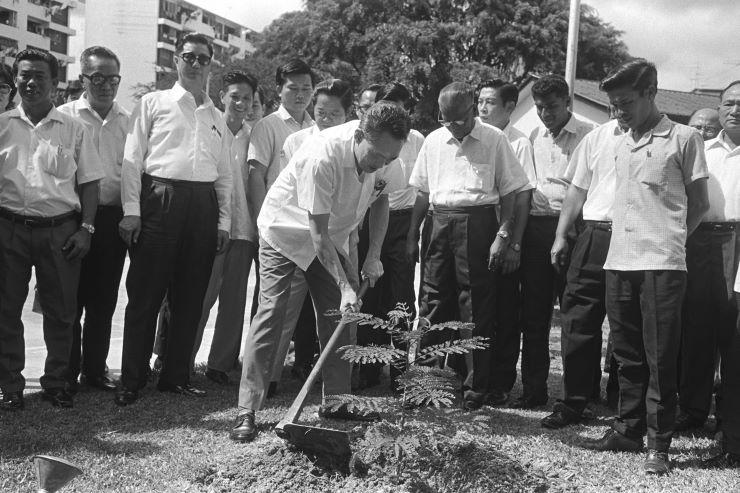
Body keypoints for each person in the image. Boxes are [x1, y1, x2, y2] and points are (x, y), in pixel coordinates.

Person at [229, 101, 410, 443]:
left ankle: (337, 401)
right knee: (272, 312)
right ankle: (247, 408)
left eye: (388, 159)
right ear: (359, 135)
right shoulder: (321, 155)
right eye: (376, 156)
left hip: (334, 236)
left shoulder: (386, 154)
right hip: (285, 231)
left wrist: (373, 256)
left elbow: (382, 201)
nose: (381, 164)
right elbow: (316, 234)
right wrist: (345, 284)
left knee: (340, 318)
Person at [583, 59, 710, 476]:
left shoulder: (684, 138)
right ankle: (627, 429)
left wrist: (671, 241)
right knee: (626, 354)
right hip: (619, 260)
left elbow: (700, 204)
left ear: (651, 92)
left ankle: (659, 444)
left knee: (659, 356)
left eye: (626, 102)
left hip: (662, 264)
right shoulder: (618, 141)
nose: (619, 112)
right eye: (614, 105)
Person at [115, 33, 232, 406]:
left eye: (203, 58)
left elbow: (225, 175)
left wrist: (223, 223)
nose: (195, 64)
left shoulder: (217, 117)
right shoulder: (153, 103)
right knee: (145, 295)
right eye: (188, 57)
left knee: (189, 298)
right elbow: (132, 161)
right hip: (159, 200)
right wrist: (132, 212)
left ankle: (175, 376)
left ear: (211, 65)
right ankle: (131, 379)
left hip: (203, 206)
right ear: (175, 61)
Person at [406, 82, 530, 411]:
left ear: (472, 108)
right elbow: (421, 192)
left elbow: (512, 193)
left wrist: (503, 236)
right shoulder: (433, 140)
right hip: (438, 223)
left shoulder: (494, 139)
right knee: (431, 302)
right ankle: (425, 383)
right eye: (446, 120)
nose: (454, 126)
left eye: (459, 119)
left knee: (475, 307)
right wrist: (411, 234)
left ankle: (476, 387)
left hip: (478, 225)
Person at [0, 48, 103, 410]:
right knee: (5, 310)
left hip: (60, 231)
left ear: (55, 83)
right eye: (24, 75)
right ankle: (9, 386)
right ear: (16, 80)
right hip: (8, 229)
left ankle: (57, 383)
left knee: (61, 312)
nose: (30, 82)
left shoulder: (74, 129)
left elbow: (90, 183)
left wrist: (86, 229)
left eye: (39, 76)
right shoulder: (3, 125)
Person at [269, 79, 354, 388]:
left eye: (335, 113)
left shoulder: (353, 146)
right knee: (283, 310)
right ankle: (270, 377)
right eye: (321, 111)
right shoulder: (298, 142)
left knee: (337, 311)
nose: (327, 119)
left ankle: (337, 389)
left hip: (336, 238)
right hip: (297, 236)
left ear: (348, 113)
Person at [515, 75, 594, 409]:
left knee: (577, 317)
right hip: (537, 229)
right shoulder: (531, 136)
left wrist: (572, 228)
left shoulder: (591, 135)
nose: (545, 113)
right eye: (539, 107)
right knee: (534, 315)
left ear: (568, 103)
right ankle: (534, 391)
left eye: (552, 106)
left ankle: (580, 396)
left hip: (577, 229)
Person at [540, 117, 624, 429]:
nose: (619, 109)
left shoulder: (668, 138)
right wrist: (562, 235)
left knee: (627, 324)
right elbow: (577, 188)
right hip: (595, 232)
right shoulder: (598, 137)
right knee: (576, 318)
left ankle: (627, 408)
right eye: (614, 102)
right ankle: (574, 402)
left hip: (636, 236)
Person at [57, 46, 129, 393]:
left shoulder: (128, 122)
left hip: (113, 220)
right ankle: (66, 373)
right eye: (97, 77)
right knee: (69, 300)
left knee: (103, 301)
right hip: (71, 219)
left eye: (112, 78)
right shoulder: (64, 118)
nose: (105, 85)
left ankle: (95, 370)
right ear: (83, 78)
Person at [246, 58, 315, 393]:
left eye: (306, 88)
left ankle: (294, 367)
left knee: (300, 309)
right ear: (279, 89)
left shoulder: (318, 126)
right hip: (276, 230)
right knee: (272, 306)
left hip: (308, 228)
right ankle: (263, 377)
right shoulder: (269, 126)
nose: (300, 94)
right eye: (293, 88)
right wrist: (262, 225)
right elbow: (256, 175)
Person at [678, 82, 740, 433]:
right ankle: (693, 409)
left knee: (735, 331)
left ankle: (730, 416)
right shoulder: (702, 150)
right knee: (697, 326)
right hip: (701, 240)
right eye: (729, 103)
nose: (735, 110)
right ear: (718, 107)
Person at [356, 81, 426, 391]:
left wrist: (413, 235)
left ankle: (400, 373)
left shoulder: (418, 140)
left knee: (401, 299)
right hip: (368, 217)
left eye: (401, 108)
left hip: (402, 222)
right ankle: (367, 369)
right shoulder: (370, 135)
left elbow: (421, 188)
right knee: (368, 295)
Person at [190, 70, 258, 386]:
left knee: (233, 302)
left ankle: (220, 364)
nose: (241, 103)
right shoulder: (206, 126)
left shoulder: (254, 136)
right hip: (209, 228)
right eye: (235, 96)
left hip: (243, 229)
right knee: (198, 298)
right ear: (222, 97)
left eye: (247, 98)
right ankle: (177, 358)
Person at [475, 79, 534, 405]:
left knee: (505, 313)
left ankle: (500, 382)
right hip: (477, 235)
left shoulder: (518, 143)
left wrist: (513, 243)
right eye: (480, 101)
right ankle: (472, 377)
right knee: (477, 311)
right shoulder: (475, 137)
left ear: (510, 107)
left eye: (490, 103)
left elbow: (522, 198)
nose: (482, 108)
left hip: (506, 234)